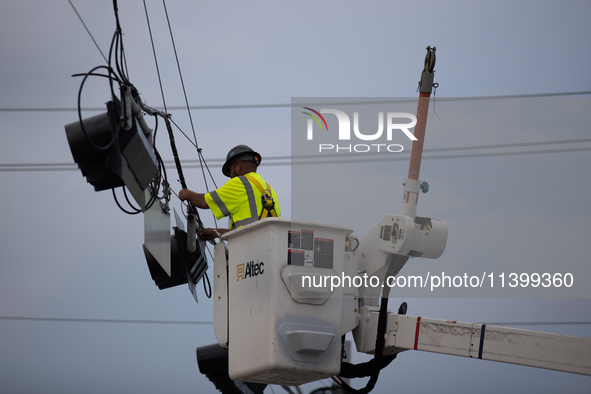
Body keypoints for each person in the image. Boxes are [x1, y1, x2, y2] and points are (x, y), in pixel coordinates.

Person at [178, 144, 281, 241]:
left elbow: (203, 202)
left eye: (231, 170)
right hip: (267, 251)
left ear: (238, 166)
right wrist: (216, 232)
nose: (231, 175)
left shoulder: (239, 183)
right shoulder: (270, 191)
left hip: (248, 252)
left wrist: (186, 193)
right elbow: (250, 230)